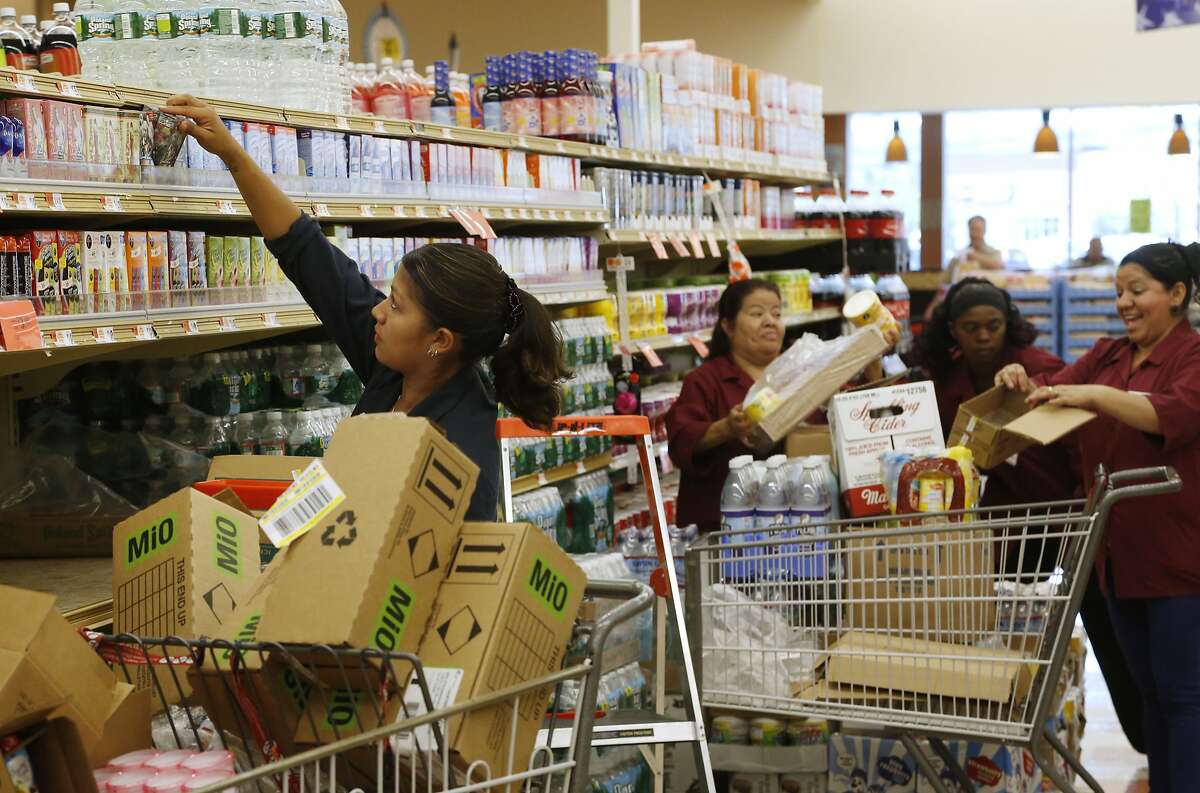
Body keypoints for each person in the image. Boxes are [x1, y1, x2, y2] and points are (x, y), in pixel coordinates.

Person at [167, 95, 569, 521]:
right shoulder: (402, 372)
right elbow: (311, 258)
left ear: (440, 340)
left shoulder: (460, 461)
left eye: (395, 306)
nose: (378, 312)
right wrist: (233, 155)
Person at [996, 241, 1200, 787]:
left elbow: (1167, 414)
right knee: (1150, 696)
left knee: (1184, 699)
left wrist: (1092, 395)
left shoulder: (1192, 357)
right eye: (1119, 292)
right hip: (1115, 554)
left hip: (1179, 556)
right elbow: (1053, 394)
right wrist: (1020, 381)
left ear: (1177, 295)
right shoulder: (1110, 355)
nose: (1124, 303)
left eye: (1138, 291)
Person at [915, 277, 1146, 753]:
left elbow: (1081, 441)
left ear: (1009, 325)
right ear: (952, 330)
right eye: (971, 327)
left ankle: (1146, 733)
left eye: (993, 326)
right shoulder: (940, 377)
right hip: (985, 536)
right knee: (993, 639)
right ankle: (996, 735)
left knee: (1093, 622)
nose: (983, 337)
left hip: (1054, 522)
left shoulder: (1040, 368)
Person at [665, 278, 892, 533]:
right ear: (728, 326)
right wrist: (727, 428)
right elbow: (681, 441)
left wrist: (873, 354)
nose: (770, 321)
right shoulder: (706, 380)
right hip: (728, 531)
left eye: (776, 313)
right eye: (756, 313)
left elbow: (859, 413)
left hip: (806, 526)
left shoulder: (804, 373)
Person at [926, 216, 1004, 321]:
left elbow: (998, 265)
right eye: (972, 230)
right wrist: (931, 308)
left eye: (978, 230)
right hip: (960, 310)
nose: (975, 234)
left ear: (984, 231)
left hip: (989, 309)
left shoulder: (994, 254)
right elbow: (944, 286)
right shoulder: (958, 258)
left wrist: (975, 257)